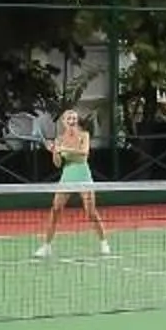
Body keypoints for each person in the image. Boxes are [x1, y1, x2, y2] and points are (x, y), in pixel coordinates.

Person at [33, 107, 111, 259]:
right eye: (68, 119)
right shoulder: (59, 139)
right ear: (63, 122)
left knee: (90, 212)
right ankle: (46, 246)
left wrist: (63, 148)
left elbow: (84, 153)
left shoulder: (84, 135)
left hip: (83, 175)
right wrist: (55, 152)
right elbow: (57, 164)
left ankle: (104, 242)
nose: (72, 121)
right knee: (55, 210)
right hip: (67, 176)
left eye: (74, 119)